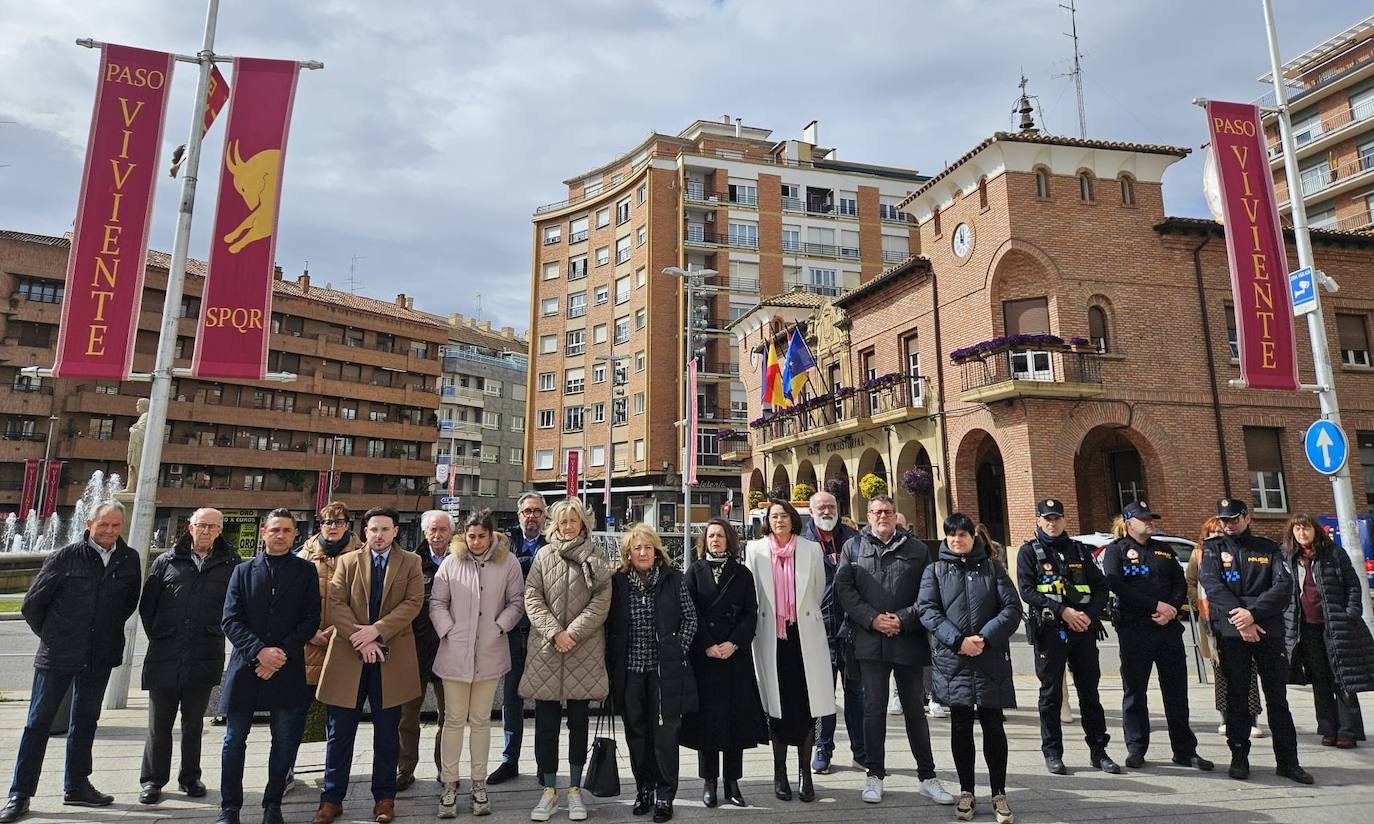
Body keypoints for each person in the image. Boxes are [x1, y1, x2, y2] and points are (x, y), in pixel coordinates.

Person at [0, 502, 141, 824]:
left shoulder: (128, 558)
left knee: (86, 721)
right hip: (59, 654)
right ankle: (19, 794)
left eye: (116, 526)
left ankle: (77, 785)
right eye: (103, 524)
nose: (109, 531)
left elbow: (127, 604)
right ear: (90, 523)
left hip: (99, 655)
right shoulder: (66, 556)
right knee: (38, 723)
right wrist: (56, 636)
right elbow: (33, 605)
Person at [835, 494, 954, 806]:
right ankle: (874, 774)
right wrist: (872, 619)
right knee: (873, 709)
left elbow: (929, 592)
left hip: (908, 640)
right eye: (876, 512)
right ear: (868, 516)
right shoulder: (853, 547)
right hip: (870, 641)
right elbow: (844, 590)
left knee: (915, 710)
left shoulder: (915, 549)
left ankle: (927, 777)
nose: (882, 516)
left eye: (887, 511)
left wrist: (902, 619)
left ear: (895, 514)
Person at [312, 506, 426, 824]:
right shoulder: (348, 562)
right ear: (365, 531)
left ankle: (384, 798)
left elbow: (414, 602)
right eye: (373, 529)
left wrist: (378, 631)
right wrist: (362, 639)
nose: (378, 535)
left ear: (395, 532)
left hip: (390, 658)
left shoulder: (411, 562)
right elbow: (335, 603)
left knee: (388, 733)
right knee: (339, 733)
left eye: (384, 529)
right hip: (349, 656)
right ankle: (332, 799)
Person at [218, 509, 321, 824]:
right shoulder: (243, 570)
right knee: (234, 740)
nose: (280, 535)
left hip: (287, 668)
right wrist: (259, 652)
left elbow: (310, 620)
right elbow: (230, 619)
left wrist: (279, 655)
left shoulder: (306, 572)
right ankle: (230, 808)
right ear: (264, 532)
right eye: (275, 529)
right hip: (246, 667)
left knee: (285, 739)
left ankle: (272, 804)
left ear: (294, 535)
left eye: (287, 530)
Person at [1198, 498, 1311, 784]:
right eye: (1224, 520)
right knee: (1237, 698)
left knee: (1277, 699)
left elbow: (1283, 587)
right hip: (1232, 633)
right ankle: (1239, 757)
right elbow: (1213, 586)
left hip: (1266, 630)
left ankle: (1288, 762)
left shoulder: (1269, 548)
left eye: (1234, 519)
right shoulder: (1212, 550)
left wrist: (1253, 614)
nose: (1228, 525)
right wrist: (1242, 618)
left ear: (1247, 518)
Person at [918, 513, 1021, 824]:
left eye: (962, 534)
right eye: (951, 535)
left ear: (973, 537)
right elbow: (927, 609)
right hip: (955, 660)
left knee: (993, 726)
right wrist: (958, 640)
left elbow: (1012, 608)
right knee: (960, 726)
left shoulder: (993, 568)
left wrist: (985, 638)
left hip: (989, 658)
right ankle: (966, 791)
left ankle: (999, 793)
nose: (956, 540)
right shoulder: (934, 571)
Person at [138, 508, 242, 805]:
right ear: (190, 527)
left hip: (204, 652)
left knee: (194, 722)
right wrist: (162, 633)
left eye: (212, 526)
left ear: (220, 531)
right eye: (201, 525)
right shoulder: (166, 561)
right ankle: (153, 781)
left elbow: (235, 607)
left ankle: (190, 777)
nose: (206, 531)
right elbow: (149, 606)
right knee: (159, 723)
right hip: (165, 653)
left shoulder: (230, 564)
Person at [1100, 502, 1212, 771]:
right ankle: (1136, 748)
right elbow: (1116, 584)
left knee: (1176, 692)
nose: (1150, 522)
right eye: (1143, 519)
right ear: (1129, 523)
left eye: (1151, 518)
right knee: (1135, 692)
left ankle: (1185, 750)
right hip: (1135, 629)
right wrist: (1155, 606)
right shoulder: (1116, 551)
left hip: (1168, 629)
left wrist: (1171, 608)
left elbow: (1179, 583)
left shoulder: (1163, 549)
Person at [520, 498, 611, 822]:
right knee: (545, 725)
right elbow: (532, 597)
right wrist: (555, 632)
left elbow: (602, 599)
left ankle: (574, 789)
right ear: (554, 525)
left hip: (581, 650)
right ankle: (548, 790)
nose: (568, 526)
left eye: (574, 520)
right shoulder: (543, 556)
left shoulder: (595, 557)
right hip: (548, 650)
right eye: (563, 521)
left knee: (578, 722)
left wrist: (572, 632)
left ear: (583, 523)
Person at [430, 509, 525, 818]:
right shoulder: (451, 561)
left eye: (481, 536)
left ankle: (479, 782)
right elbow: (437, 602)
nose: (476, 541)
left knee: (482, 721)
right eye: (471, 536)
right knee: (454, 721)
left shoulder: (508, 562)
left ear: (491, 534)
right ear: (464, 535)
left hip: (490, 651)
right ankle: (449, 782)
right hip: (454, 653)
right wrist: (448, 629)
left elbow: (517, 602)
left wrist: (500, 626)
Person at [1015, 498, 1120, 775]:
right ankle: (1053, 752)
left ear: (1064, 520)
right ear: (1038, 520)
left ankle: (1099, 751)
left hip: (1083, 630)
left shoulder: (1079, 551)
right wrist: (1063, 611)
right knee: (1050, 695)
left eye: (1057, 518)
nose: (1052, 523)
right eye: (1047, 518)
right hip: (1050, 631)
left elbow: (1100, 587)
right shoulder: (1028, 552)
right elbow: (1027, 591)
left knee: (1089, 692)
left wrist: (1089, 615)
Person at [607, 525, 699, 822]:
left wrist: (676, 651)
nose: (643, 552)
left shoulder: (672, 579)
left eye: (648, 547)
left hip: (664, 672)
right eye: (637, 548)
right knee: (636, 732)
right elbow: (609, 625)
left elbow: (689, 618)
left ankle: (664, 794)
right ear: (628, 554)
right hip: (631, 670)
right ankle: (643, 788)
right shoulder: (618, 582)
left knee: (665, 733)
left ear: (657, 551)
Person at [744, 499, 832, 803]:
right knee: (777, 709)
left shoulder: (810, 549)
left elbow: (818, 590)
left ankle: (805, 773)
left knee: (806, 707)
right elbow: (753, 593)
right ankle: (779, 773)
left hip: (803, 637)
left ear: (793, 519)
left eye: (783, 515)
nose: (779, 520)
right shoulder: (755, 550)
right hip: (771, 639)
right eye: (774, 516)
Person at [681, 519, 767, 809]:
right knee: (707, 722)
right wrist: (706, 644)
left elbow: (750, 613)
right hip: (705, 657)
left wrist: (734, 643)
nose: (715, 540)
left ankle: (732, 782)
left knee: (734, 721)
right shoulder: (694, 571)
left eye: (720, 536)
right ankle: (709, 782)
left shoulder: (742, 574)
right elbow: (689, 611)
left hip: (734, 658)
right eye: (710, 536)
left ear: (729, 540)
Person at [1281, 513, 1374, 748]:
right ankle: (1328, 727)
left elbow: (1353, 585)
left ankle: (1348, 730)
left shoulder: (1333, 553)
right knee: (1320, 679)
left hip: (1335, 626)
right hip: (1307, 628)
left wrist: (1350, 612)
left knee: (1341, 678)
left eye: (1306, 529)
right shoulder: (1290, 557)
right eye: (1298, 530)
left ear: (1316, 531)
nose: (1302, 534)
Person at [800, 490, 864, 773]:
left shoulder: (855, 539)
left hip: (852, 629)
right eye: (821, 507)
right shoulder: (802, 541)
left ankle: (861, 751)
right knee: (823, 695)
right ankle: (823, 747)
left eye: (831, 506)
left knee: (856, 693)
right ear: (811, 511)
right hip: (819, 629)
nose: (827, 511)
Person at [489, 491, 548, 786]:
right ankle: (509, 760)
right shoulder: (502, 543)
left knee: (543, 701)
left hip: (542, 633)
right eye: (527, 511)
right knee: (511, 698)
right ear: (518, 514)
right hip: (511, 632)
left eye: (537, 511)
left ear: (544, 516)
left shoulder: (552, 544)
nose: (532, 516)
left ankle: (543, 763)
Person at [1187, 517, 1265, 738]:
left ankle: (1252, 716)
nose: (1216, 536)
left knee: (1248, 670)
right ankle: (1225, 715)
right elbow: (1191, 582)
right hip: (1211, 619)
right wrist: (1199, 601)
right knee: (1220, 670)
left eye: (1219, 532)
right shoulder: (1199, 555)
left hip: (1240, 615)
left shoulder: (1239, 552)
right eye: (1211, 532)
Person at [397, 509, 452, 790]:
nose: (438, 534)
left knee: (450, 717)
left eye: (443, 529)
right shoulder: (411, 563)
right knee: (407, 717)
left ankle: (445, 770)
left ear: (451, 533)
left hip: (448, 651)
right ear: (425, 532)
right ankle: (404, 769)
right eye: (433, 529)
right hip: (415, 650)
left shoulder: (460, 562)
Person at [298, 501, 366, 693]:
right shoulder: (305, 554)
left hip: (347, 638)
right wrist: (310, 632)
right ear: (321, 525)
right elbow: (294, 599)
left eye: (338, 522)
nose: (333, 527)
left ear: (347, 525)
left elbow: (365, 600)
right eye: (328, 522)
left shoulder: (361, 555)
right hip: (309, 638)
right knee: (308, 704)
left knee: (341, 701)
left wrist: (339, 628)